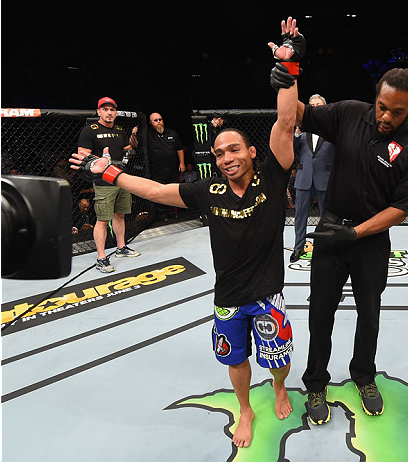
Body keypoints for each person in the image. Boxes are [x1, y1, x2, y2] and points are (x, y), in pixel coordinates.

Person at [71, 17, 303, 448]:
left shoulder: (271, 177)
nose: (227, 157)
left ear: (251, 152)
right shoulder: (208, 189)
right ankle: (246, 408)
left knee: (279, 361)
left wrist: (287, 70)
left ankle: (278, 388)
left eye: (234, 149)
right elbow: (157, 190)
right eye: (219, 152)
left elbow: (285, 123)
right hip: (228, 296)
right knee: (235, 361)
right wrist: (109, 172)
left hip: (268, 292)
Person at [275, 62, 408, 424]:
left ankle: (364, 375)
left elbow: (401, 208)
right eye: (382, 105)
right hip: (330, 234)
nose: (386, 116)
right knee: (320, 313)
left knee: (370, 315)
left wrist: (358, 233)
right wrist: (288, 75)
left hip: (370, 240)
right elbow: (297, 113)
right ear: (376, 96)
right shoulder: (349, 113)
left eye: (397, 111)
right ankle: (315, 382)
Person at [76, 96, 140, 273]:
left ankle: (121, 248)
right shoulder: (90, 130)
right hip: (103, 181)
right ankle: (101, 258)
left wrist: (134, 136)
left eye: (112, 109)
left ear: (116, 112)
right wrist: (102, 160)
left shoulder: (120, 130)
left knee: (120, 215)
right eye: (105, 109)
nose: (109, 112)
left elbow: (129, 148)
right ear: (99, 111)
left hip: (121, 177)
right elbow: (82, 154)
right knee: (103, 220)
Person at [290, 94, 336, 263]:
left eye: (318, 104)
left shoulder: (332, 129)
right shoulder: (301, 130)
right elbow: (292, 150)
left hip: (325, 178)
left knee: (328, 216)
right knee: (300, 216)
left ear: (324, 107)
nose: (315, 107)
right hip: (304, 178)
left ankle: (327, 249)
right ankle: (298, 247)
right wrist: (296, 134)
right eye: (312, 105)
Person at [132, 112, 185, 222]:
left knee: (173, 190)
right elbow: (135, 145)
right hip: (157, 170)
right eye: (155, 120)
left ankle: (172, 212)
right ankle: (162, 215)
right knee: (160, 191)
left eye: (160, 119)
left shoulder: (172, 133)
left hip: (172, 168)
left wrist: (182, 163)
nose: (159, 122)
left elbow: (179, 148)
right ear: (151, 123)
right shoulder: (147, 135)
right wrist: (133, 134)